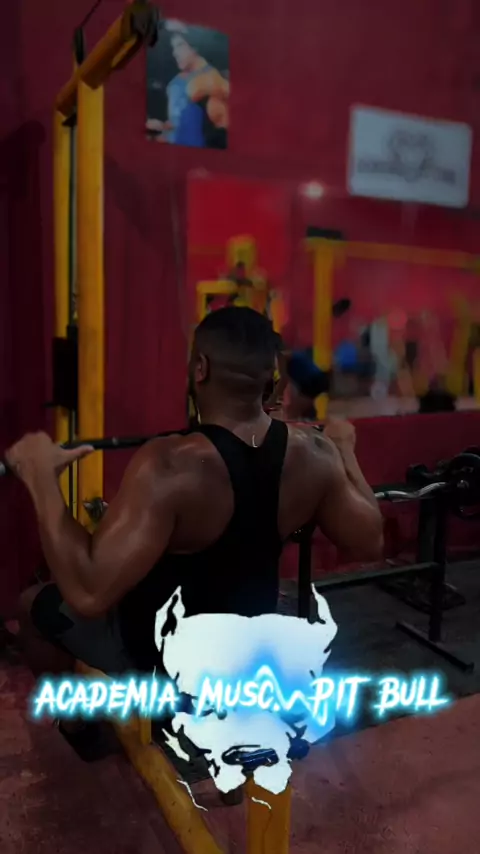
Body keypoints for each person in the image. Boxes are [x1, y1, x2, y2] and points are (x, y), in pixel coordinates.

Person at [6, 308, 383, 752]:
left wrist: (40, 478)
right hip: (249, 658)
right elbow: (371, 540)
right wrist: (345, 450)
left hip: (165, 670)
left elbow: (88, 593)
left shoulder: (170, 466)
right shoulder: (317, 454)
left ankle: (79, 731)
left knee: (32, 605)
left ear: (200, 368)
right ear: (272, 376)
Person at [146, 31, 229, 148]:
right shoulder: (174, 84)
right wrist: (161, 128)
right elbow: (175, 125)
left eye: (180, 45)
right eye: (173, 48)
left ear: (194, 47)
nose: (175, 53)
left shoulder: (212, 80)